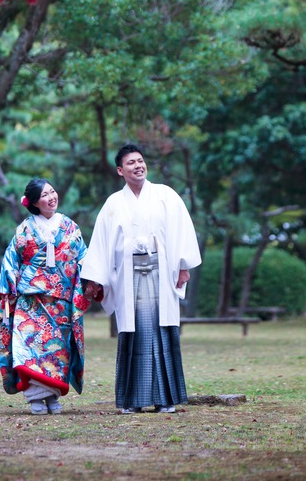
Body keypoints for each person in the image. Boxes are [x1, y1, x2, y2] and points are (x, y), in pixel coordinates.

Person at [80, 143, 202, 414]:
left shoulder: (165, 195)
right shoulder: (113, 204)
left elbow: (182, 230)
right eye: (131, 163)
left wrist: (183, 266)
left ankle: (165, 399)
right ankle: (132, 400)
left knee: (162, 331)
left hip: (161, 271)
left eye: (140, 160)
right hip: (128, 275)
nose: (138, 166)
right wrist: (95, 278)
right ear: (120, 170)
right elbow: (101, 242)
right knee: (132, 333)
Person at [0, 178, 90, 415]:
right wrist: (6, 287)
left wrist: (91, 282)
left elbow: (83, 257)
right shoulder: (24, 229)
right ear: (34, 202)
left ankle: (52, 395)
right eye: (45, 195)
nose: (52, 197)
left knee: (58, 350)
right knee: (31, 346)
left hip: (61, 298)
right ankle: (35, 397)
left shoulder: (70, 226)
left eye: (52, 192)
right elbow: (11, 259)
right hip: (29, 298)